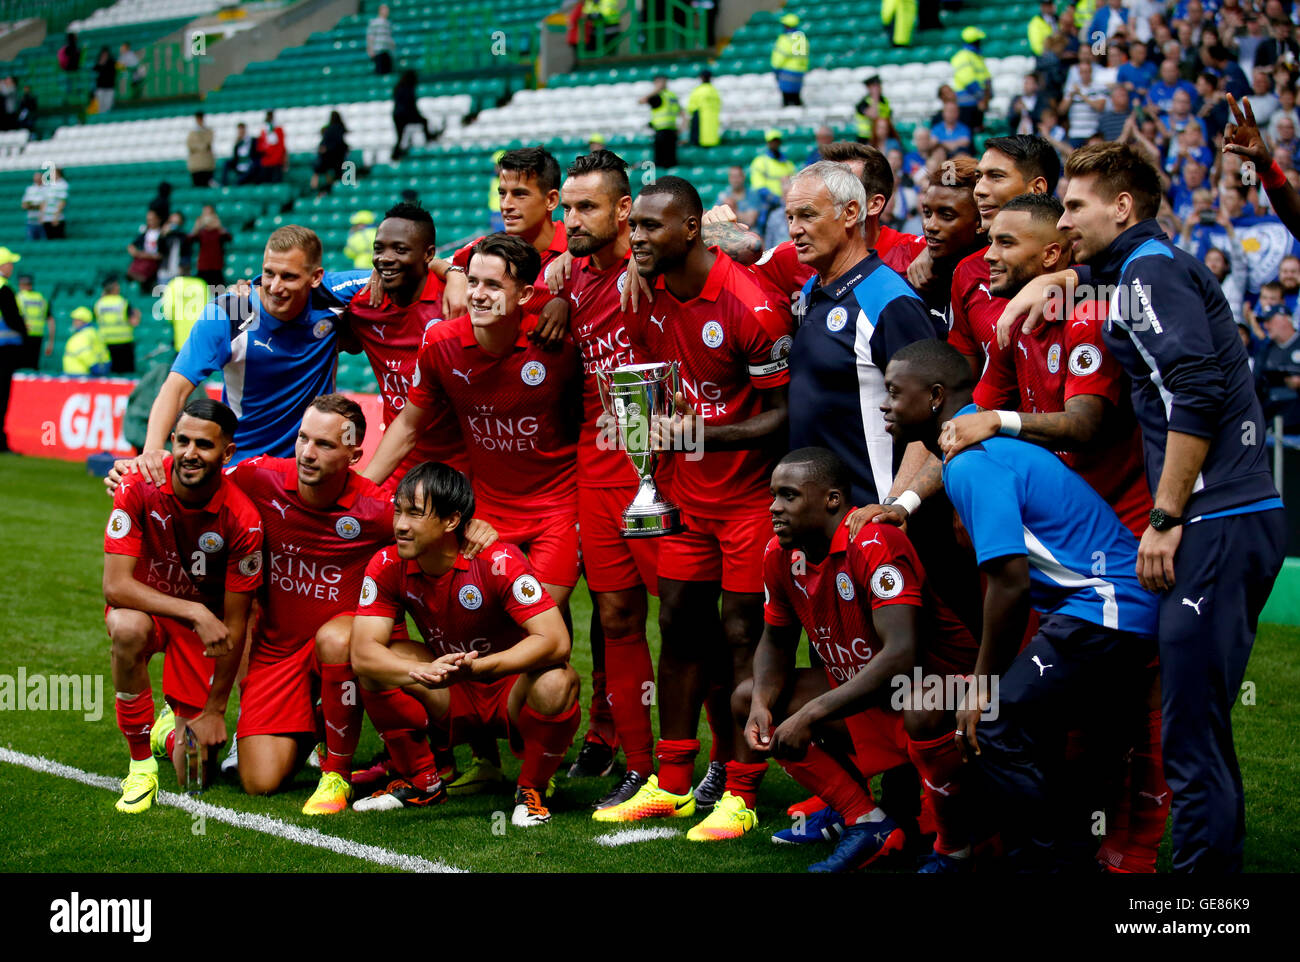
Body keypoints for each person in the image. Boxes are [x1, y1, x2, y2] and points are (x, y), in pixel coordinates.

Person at [998, 141, 1288, 872]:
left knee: (1190, 730)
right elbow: (1099, 277)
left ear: (1121, 207)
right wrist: (1055, 278)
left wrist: (1165, 517)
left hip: (1214, 516)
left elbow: (1196, 391)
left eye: (1074, 206)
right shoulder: (1136, 268)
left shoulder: (1148, 273)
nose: (1063, 221)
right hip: (1228, 513)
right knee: (1199, 727)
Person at [883, 338, 1159, 871]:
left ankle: (1048, 860)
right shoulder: (970, 456)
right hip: (1104, 606)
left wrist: (983, 685)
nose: (883, 404)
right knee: (1030, 727)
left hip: (1108, 606)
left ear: (936, 397)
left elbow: (1009, 585)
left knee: (992, 719)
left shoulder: (971, 463)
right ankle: (1046, 849)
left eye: (895, 392)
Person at [592, 177, 792, 840]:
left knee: (741, 636)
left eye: (651, 228)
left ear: (690, 230)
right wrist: (650, 435)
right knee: (676, 627)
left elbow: (784, 418)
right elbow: (660, 391)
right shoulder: (641, 297)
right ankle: (672, 784)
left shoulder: (752, 305)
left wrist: (701, 435)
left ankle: (741, 790)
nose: (638, 239)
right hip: (683, 496)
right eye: (635, 228)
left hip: (747, 502)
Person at [744, 448, 979, 872]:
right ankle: (866, 821)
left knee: (921, 705)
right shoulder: (779, 555)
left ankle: (954, 850)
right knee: (750, 698)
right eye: (774, 495)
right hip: (872, 703)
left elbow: (902, 655)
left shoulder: (874, 540)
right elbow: (775, 642)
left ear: (832, 500)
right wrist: (763, 703)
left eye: (789, 496)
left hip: (944, 695)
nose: (774, 507)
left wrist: (812, 714)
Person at [351, 462, 580, 824]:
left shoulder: (498, 560)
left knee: (558, 680)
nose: (400, 525)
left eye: (414, 513)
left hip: (510, 692)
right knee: (381, 664)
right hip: (449, 688)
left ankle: (531, 790)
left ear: (451, 521)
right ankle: (423, 783)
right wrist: (421, 670)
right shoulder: (385, 563)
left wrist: (481, 667)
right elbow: (362, 653)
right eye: (398, 511)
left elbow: (555, 641)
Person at [362, 233, 581, 605]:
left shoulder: (558, 348)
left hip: (556, 508)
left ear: (525, 296)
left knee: (541, 624)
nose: (477, 294)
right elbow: (408, 426)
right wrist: (359, 490)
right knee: (490, 622)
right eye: (474, 281)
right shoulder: (440, 343)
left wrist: (561, 301)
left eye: (493, 285)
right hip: (487, 510)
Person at [224, 397, 394, 809]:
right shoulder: (257, 477)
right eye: (303, 438)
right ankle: (315, 719)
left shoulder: (378, 510)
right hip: (277, 654)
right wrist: (143, 467)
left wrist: (477, 528)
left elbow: (439, 535)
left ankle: (337, 773)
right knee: (258, 781)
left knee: (336, 638)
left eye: (324, 445)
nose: (307, 453)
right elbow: (193, 482)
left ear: (354, 455)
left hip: (345, 647)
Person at [552, 151, 659, 806]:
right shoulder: (568, 279)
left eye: (586, 207)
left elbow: (731, 238)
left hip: (662, 464)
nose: (571, 220)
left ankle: (716, 769)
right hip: (598, 466)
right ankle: (639, 763)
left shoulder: (657, 262)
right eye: (566, 208)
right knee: (616, 614)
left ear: (625, 210)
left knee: (682, 618)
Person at [109, 225, 368, 483]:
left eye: (289, 277)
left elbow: (393, 271)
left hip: (307, 472)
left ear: (315, 277)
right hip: (242, 470)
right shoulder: (229, 313)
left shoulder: (332, 294)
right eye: (269, 273)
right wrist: (152, 450)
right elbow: (175, 387)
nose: (275, 287)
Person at [102, 398, 263, 812]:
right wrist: (192, 610)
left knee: (195, 779)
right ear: (171, 440)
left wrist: (215, 710)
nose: (190, 453)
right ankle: (140, 765)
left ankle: (170, 732)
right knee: (125, 628)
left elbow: (235, 623)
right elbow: (116, 587)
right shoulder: (136, 484)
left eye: (204, 446)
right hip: (152, 611)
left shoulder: (243, 520)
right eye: (183, 441)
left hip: (202, 634)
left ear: (227, 454)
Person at [785, 160, 943, 512]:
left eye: (808, 215)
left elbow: (932, 416)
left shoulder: (890, 300)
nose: (794, 229)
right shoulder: (811, 290)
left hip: (871, 514)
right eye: (790, 217)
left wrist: (895, 505)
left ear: (850, 213)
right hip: (823, 519)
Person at [340, 202, 467, 497]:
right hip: (399, 460)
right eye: (379, 249)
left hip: (465, 460)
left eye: (399, 250)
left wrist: (455, 272)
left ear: (429, 255)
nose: (385, 259)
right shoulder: (362, 306)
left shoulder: (458, 301)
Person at [440, 147, 568, 320]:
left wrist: (565, 304)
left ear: (551, 200)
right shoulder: (491, 248)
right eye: (502, 194)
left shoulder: (576, 248)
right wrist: (454, 275)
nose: (506, 205)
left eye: (519, 194)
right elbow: (432, 263)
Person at [0, 248, 22, 449]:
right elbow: (13, 319)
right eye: (10, 263)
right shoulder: (4, 289)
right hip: (4, 351)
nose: (12, 267)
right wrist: (24, 329)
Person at [951, 26, 992, 130]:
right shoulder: (962, 56)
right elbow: (968, 80)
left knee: (978, 131)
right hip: (966, 104)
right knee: (968, 131)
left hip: (979, 102)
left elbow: (987, 78)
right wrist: (981, 97)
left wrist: (987, 97)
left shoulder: (978, 57)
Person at [95, 277, 135, 374]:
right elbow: (134, 322)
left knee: (112, 378)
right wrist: (137, 314)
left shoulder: (99, 303)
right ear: (115, 288)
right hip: (124, 344)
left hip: (106, 344)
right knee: (126, 376)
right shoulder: (122, 302)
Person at [161, 273, 209, 352]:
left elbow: (168, 312)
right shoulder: (201, 283)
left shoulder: (173, 284)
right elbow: (209, 309)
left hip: (181, 337)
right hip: (200, 336)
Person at [640, 75, 679, 170]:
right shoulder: (670, 95)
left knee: (663, 162)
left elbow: (641, 100)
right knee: (668, 161)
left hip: (664, 131)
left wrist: (656, 90)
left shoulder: (660, 95)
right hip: (668, 131)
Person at [392, 70, 430, 161]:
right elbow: (411, 105)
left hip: (397, 115)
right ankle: (429, 139)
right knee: (424, 122)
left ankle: (396, 154)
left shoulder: (398, 87)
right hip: (405, 115)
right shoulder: (409, 89)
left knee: (400, 137)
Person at [771, 13, 809, 107]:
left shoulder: (784, 39)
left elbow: (779, 56)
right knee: (796, 98)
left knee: (787, 99)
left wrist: (775, 68)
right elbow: (804, 58)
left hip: (786, 72)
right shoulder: (802, 39)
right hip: (799, 73)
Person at [15, 274, 51, 370]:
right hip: (38, 335)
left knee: (20, 368)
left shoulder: (18, 297)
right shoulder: (41, 298)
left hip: (22, 335)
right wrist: (50, 341)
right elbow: (50, 320)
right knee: (33, 366)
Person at [189, 204, 230, 287]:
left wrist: (219, 226)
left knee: (217, 292)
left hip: (216, 267)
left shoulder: (219, 231)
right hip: (203, 267)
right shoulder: (200, 232)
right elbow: (189, 240)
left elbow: (228, 238)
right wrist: (196, 227)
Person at [62, 306, 110, 376]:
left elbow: (85, 353)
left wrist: (96, 367)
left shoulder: (84, 335)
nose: (74, 322)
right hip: (81, 374)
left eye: (77, 320)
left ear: (84, 321)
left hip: (79, 375)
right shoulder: (93, 332)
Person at [310, 111, 349, 195]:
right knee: (332, 173)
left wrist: (326, 149)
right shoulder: (340, 128)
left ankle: (319, 189)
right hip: (337, 156)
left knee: (320, 170)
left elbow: (326, 145)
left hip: (330, 156)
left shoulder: (330, 129)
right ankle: (333, 188)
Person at [126, 209, 163, 293]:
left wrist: (143, 255)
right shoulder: (145, 233)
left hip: (154, 263)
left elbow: (160, 254)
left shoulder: (162, 234)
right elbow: (131, 246)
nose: (150, 222)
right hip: (144, 261)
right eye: (148, 220)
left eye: (152, 219)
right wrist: (135, 252)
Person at [686, 68, 721, 148]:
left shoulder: (698, 91)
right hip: (713, 132)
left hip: (701, 130)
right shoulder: (715, 92)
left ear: (701, 78)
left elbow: (691, 108)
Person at [158, 211, 194, 287]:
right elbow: (160, 250)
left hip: (178, 272)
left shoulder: (183, 237)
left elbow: (186, 252)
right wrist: (162, 235)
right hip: (165, 271)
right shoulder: (165, 237)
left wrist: (183, 266)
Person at [854, 75, 893, 143]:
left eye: (878, 85)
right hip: (865, 138)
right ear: (869, 88)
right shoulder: (863, 103)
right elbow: (874, 115)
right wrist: (875, 97)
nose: (878, 88)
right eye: (874, 86)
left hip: (882, 137)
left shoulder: (885, 101)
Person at [256, 111, 288, 183]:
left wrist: (284, 160)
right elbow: (260, 146)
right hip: (266, 162)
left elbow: (282, 147)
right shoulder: (264, 131)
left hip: (277, 162)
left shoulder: (278, 130)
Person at [186, 113, 215, 188]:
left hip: (206, 164)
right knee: (197, 186)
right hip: (196, 166)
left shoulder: (208, 131)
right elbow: (190, 145)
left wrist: (198, 147)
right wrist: (202, 146)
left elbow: (208, 143)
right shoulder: (192, 133)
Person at [367, 3, 396, 75]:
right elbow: (371, 35)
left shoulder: (388, 23)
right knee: (380, 71)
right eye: (385, 9)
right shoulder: (374, 22)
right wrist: (370, 49)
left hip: (387, 51)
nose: (387, 11)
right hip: (378, 51)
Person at [40, 166, 66, 239]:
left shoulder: (63, 184)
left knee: (58, 238)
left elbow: (62, 201)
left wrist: (56, 217)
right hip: (47, 218)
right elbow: (44, 201)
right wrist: (42, 215)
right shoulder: (48, 185)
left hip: (57, 218)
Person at [21, 170, 44, 241]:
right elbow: (24, 205)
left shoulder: (47, 189)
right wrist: (36, 205)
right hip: (31, 221)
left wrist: (31, 205)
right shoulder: (30, 189)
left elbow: (44, 205)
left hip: (43, 222)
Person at [93, 46, 116, 115]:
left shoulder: (112, 62)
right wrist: (100, 64)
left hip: (109, 87)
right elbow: (94, 70)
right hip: (100, 87)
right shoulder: (98, 62)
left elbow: (113, 73)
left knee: (108, 105)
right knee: (100, 107)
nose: (104, 55)